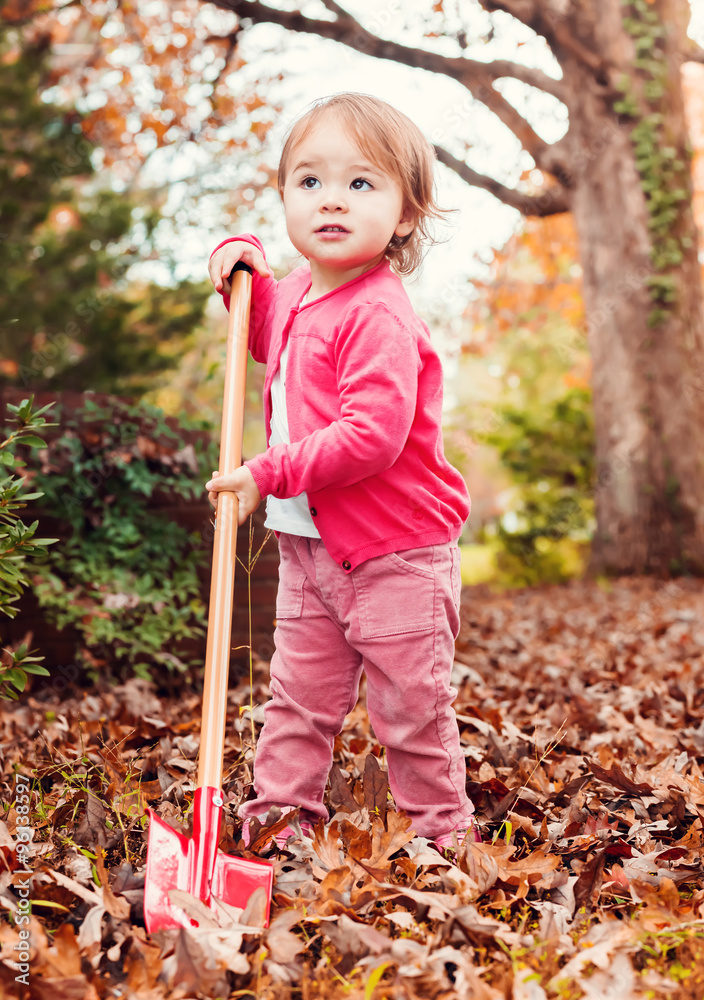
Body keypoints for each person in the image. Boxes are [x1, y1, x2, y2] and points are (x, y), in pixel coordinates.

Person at [206, 92, 479, 852]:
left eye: (361, 184)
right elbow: (257, 328)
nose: (331, 198)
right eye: (309, 181)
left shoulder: (379, 315)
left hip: (397, 555)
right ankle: (277, 829)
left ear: (404, 215)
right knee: (296, 703)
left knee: (409, 710)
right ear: (287, 196)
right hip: (308, 554)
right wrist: (236, 260)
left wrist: (268, 471)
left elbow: (372, 436)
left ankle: (442, 839)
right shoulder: (296, 291)